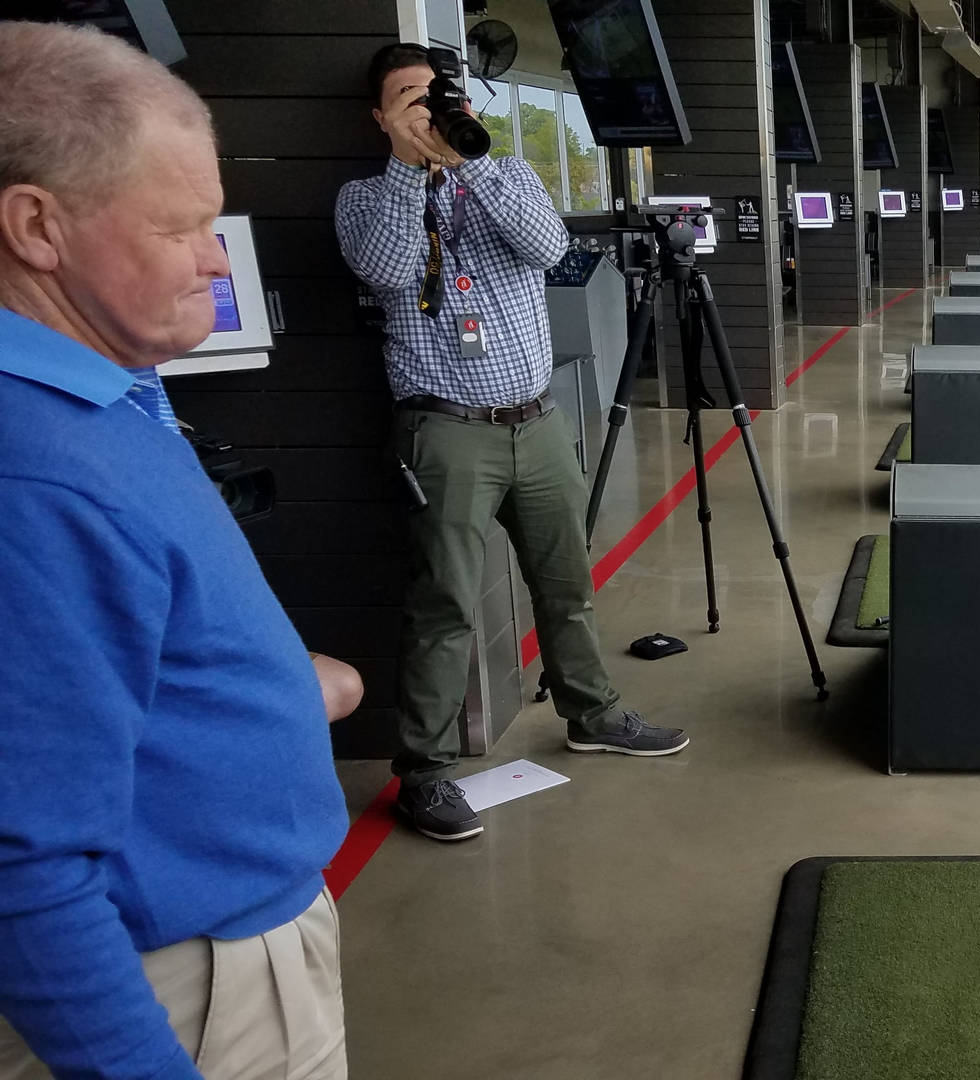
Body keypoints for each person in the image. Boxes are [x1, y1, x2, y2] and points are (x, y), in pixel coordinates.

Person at [0, 21, 350, 1077]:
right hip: (188, 985)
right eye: (181, 226)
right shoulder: (35, 476)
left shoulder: (101, 384)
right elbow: (26, 867)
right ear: (36, 226)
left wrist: (282, 691)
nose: (214, 256)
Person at [335, 43, 688, 844]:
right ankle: (422, 773)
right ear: (379, 116)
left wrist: (465, 161)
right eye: (408, 99)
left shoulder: (505, 177)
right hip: (445, 429)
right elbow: (386, 271)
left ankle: (591, 712)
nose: (428, 109)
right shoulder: (363, 196)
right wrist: (407, 166)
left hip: (537, 420)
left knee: (566, 582)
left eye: (438, 95)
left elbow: (543, 246)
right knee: (445, 604)